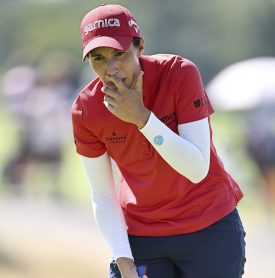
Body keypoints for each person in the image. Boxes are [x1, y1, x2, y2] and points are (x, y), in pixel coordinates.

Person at [72, 4, 246, 278]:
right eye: (98, 59)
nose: (112, 68)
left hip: (209, 228)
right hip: (142, 235)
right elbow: (103, 194)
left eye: (119, 54)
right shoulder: (86, 109)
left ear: (139, 47)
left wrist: (142, 119)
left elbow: (197, 168)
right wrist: (123, 259)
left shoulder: (179, 74)